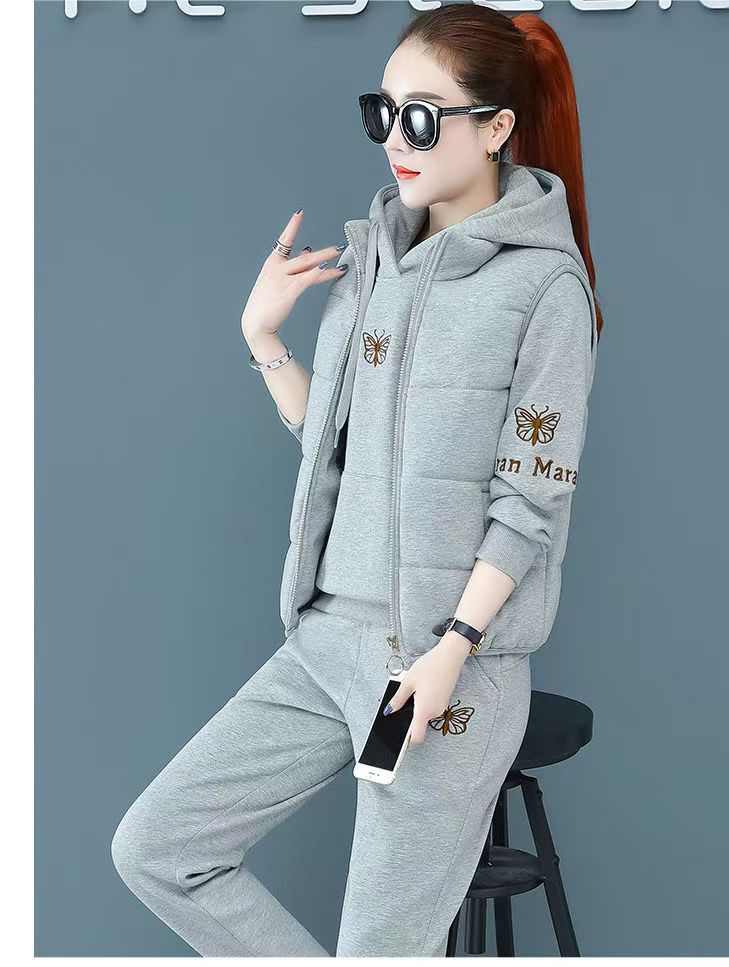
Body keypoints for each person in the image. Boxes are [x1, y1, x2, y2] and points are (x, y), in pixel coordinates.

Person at [110, 2, 602, 957]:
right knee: (160, 848)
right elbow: (338, 451)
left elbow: (531, 499)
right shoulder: (374, 258)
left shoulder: (546, 289)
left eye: (422, 117)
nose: (395, 142)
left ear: (496, 127)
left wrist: (454, 648)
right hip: (326, 641)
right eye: (383, 113)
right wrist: (263, 339)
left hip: (437, 668)